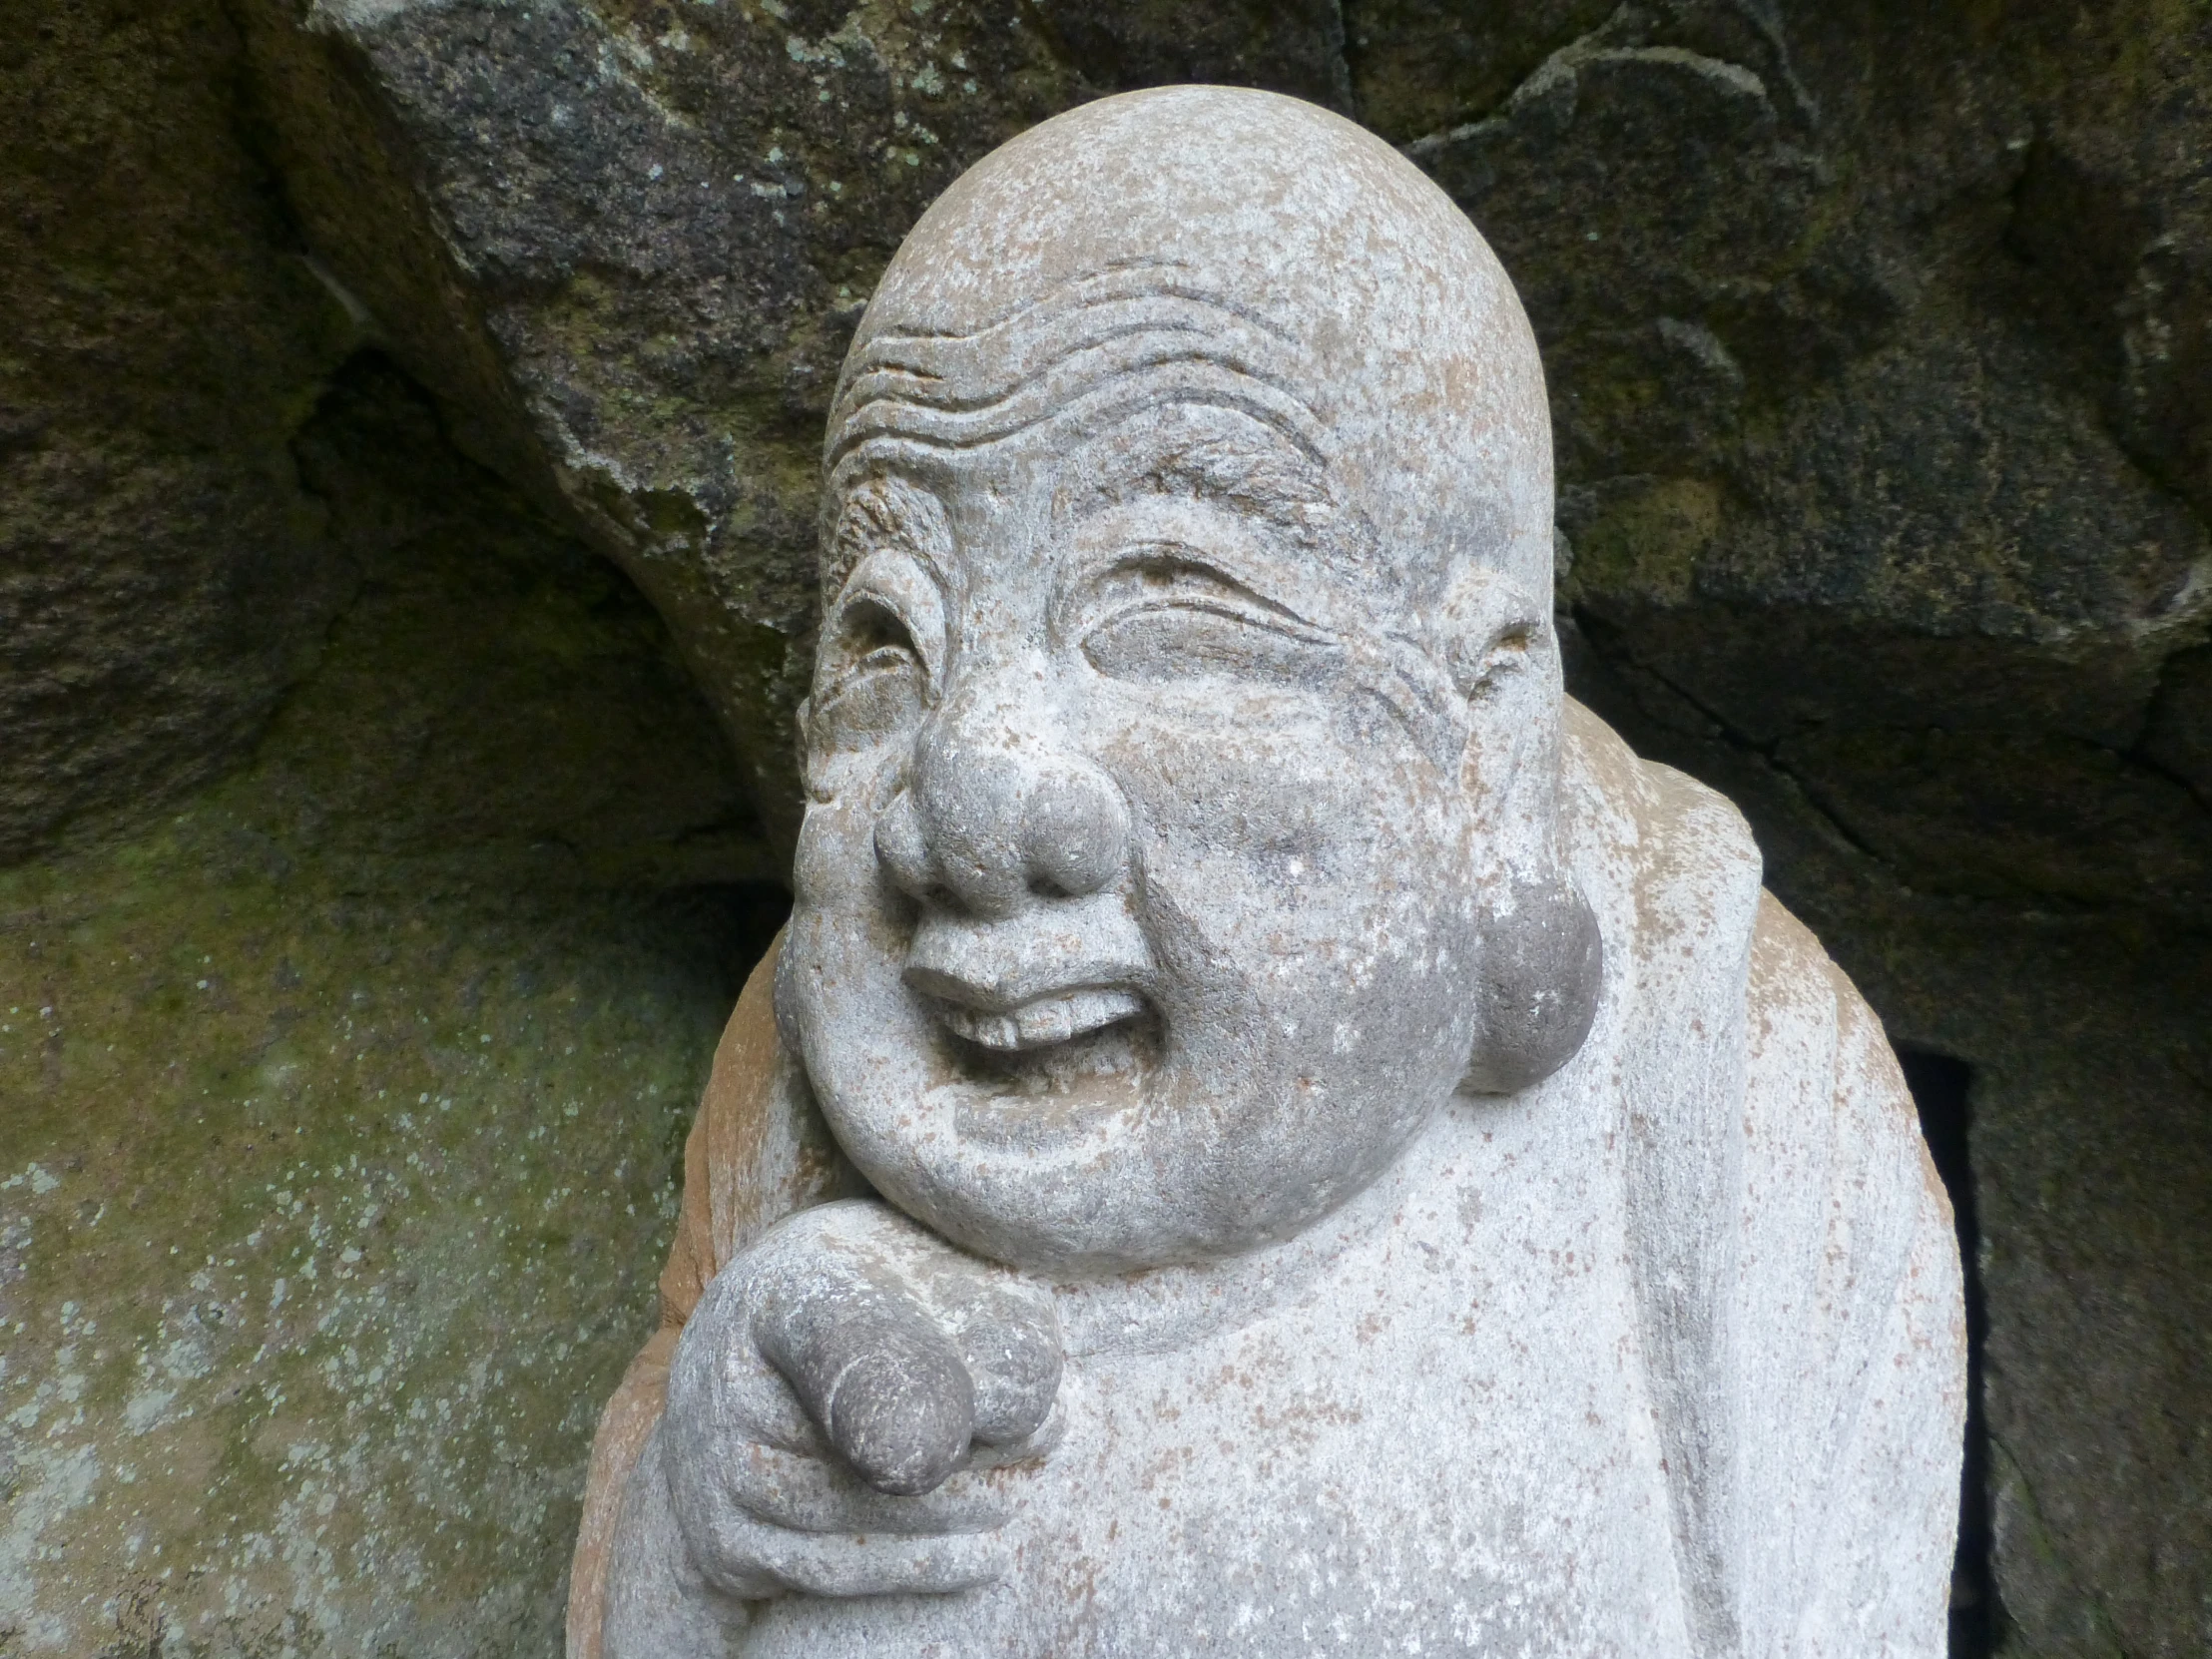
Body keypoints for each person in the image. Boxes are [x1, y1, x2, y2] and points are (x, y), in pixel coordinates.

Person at [571, 85, 1963, 1658]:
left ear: (1485, 738)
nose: (966, 805)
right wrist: (697, 1496)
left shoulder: (1732, 1079)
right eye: (889, 641)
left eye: (1168, 609)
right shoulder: (796, 1058)